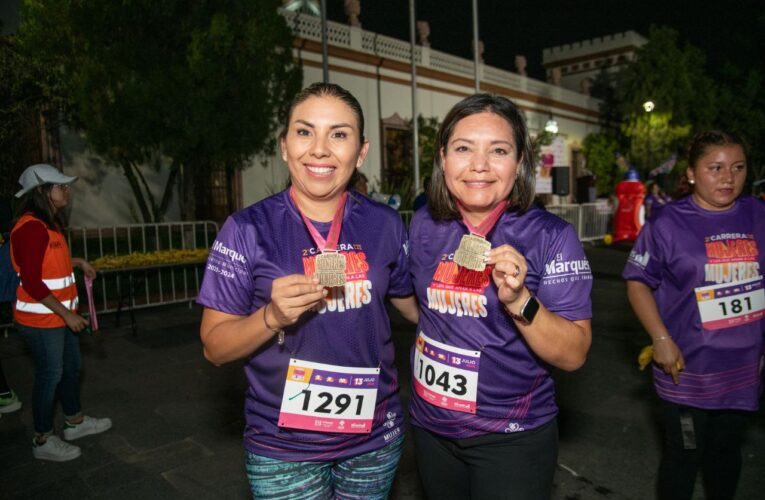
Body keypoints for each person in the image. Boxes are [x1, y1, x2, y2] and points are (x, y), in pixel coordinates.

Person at [198, 82, 418, 499]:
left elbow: (412, 306)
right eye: (304, 132)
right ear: (284, 146)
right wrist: (271, 317)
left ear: (362, 151)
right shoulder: (246, 229)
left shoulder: (386, 224)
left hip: (373, 437)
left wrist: (496, 306)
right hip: (283, 446)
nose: (320, 149)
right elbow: (215, 347)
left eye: (338, 134)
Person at [407, 94, 593, 499]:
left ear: (520, 162)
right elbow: (412, 302)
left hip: (511, 436)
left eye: (498, 151)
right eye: (463, 148)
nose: (479, 165)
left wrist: (518, 300)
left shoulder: (552, 237)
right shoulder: (423, 224)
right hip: (430, 426)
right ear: (442, 158)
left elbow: (574, 353)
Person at [623, 130, 764, 500]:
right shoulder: (668, 222)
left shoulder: (757, 214)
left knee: (726, 453)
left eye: (737, 167)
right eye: (715, 168)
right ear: (690, 173)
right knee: (684, 455)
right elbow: (637, 283)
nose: (728, 178)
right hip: (687, 369)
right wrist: (661, 340)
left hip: (744, 366)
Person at [11, 164, 111, 462]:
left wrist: (77, 262)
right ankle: (42, 439)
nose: (66, 190)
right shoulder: (31, 227)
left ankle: (74, 423)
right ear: (42, 192)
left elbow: (47, 265)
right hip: (42, 320)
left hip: (58, 317)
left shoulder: (49, 225)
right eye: (60, 186)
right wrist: (66, 315)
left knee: (70, 369)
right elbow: (31, 280)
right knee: (50, 374)